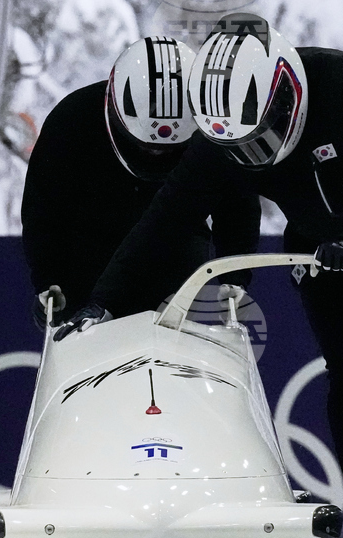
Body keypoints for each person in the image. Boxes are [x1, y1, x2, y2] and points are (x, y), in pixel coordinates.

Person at [56, 14, 343, 538]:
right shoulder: (223, 146)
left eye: (263, 140)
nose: (256, 156)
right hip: (323, 255)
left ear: (286, 95)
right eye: (241, 148)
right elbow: (165, 219)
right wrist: (103, 299)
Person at [21, 36, 260, 329]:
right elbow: (43, 207)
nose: (156, 155)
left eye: (168, 149)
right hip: (88, 251)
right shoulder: (72, 119)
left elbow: (237, 203)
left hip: (174, 247)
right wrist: (48, 279)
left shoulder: (215, 128)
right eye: (146, 146)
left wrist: (234, 277)